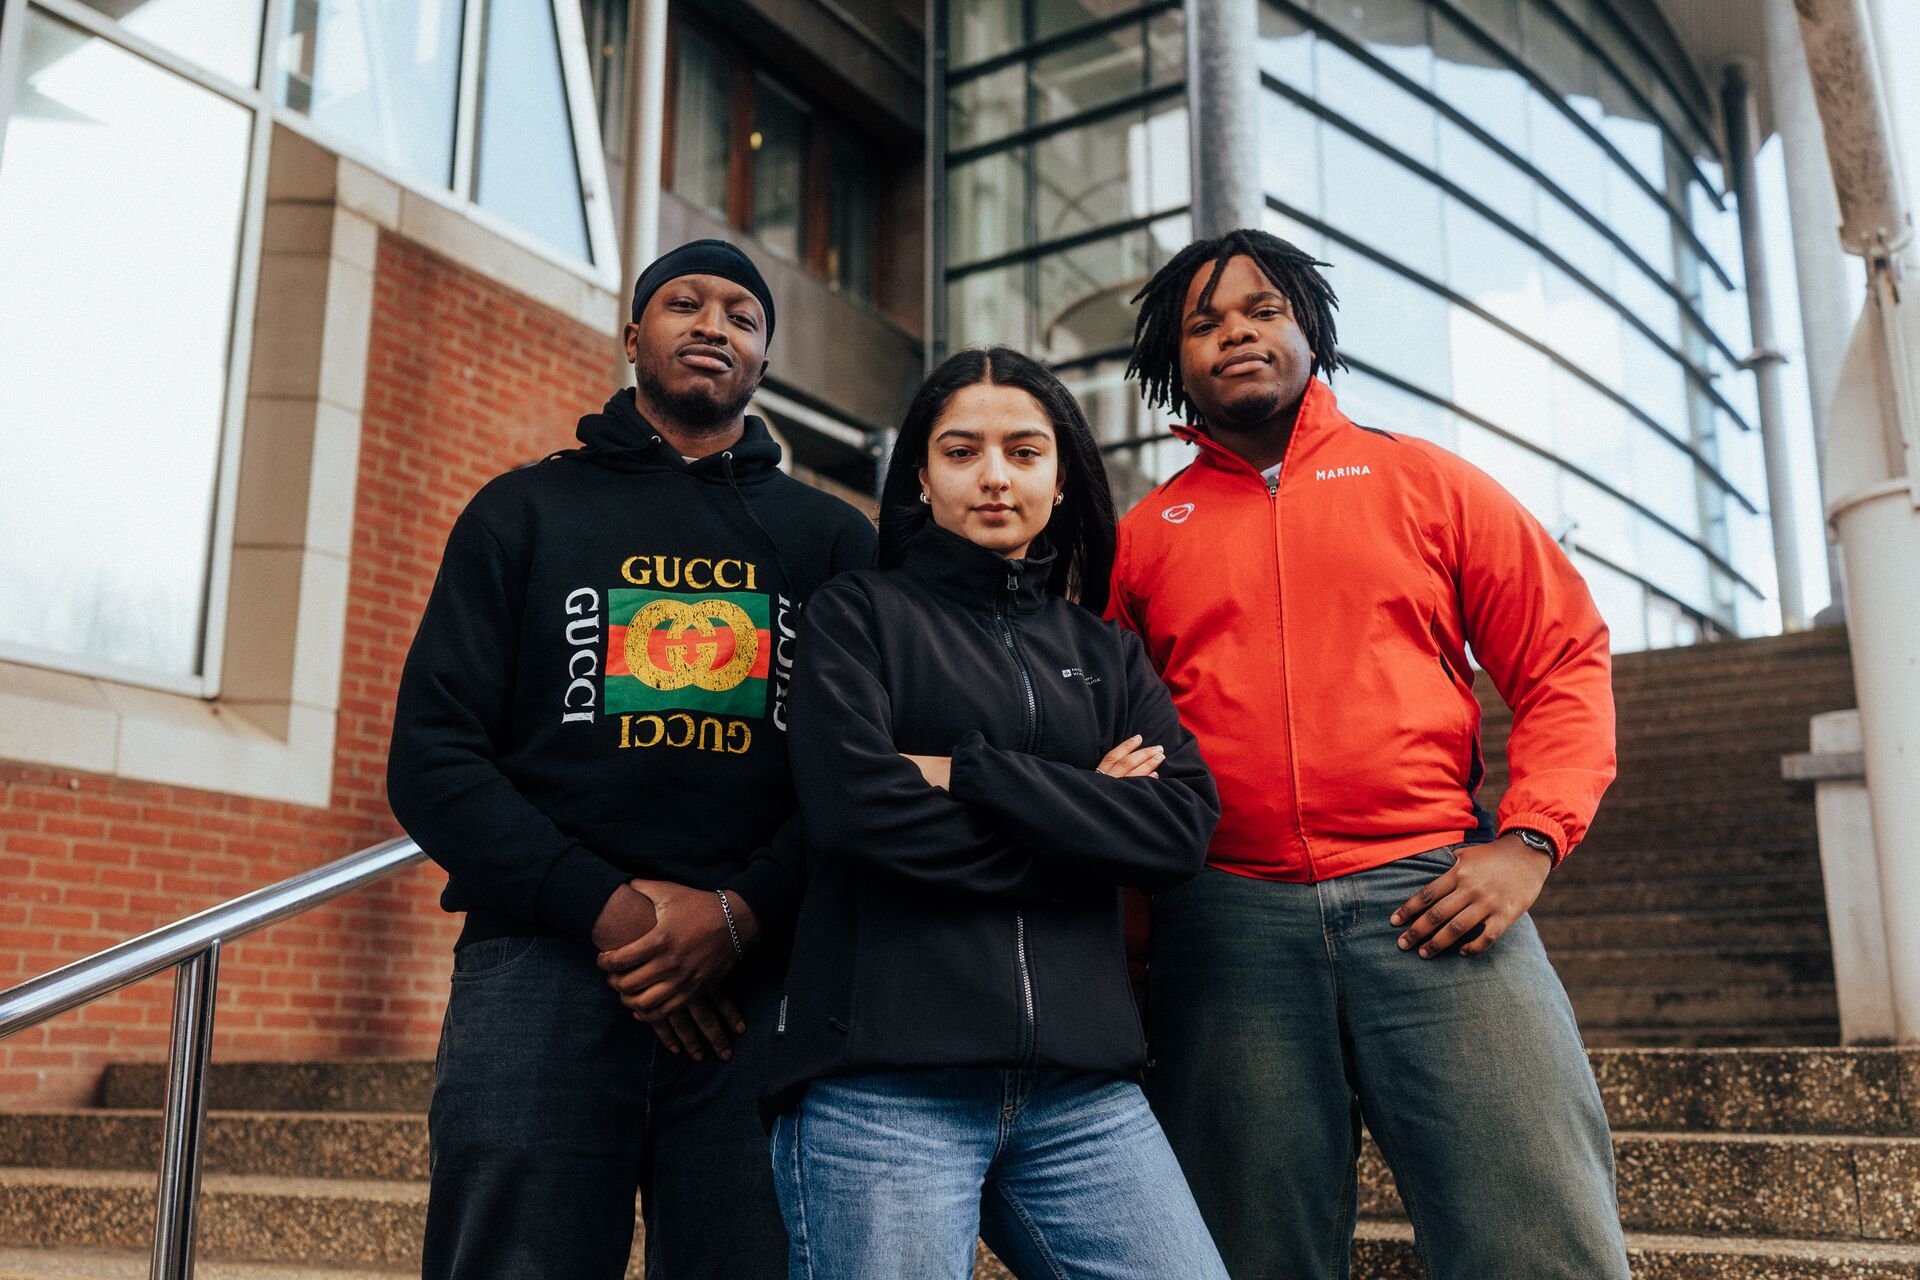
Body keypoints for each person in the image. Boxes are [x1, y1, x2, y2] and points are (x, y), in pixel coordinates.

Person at [1110, 228, 1630, 1280]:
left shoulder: (1426, 480)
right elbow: (1107, 741)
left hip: (1435, 898)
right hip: (1224, 926)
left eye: (1263, 309)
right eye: (1204, 324)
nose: (1236, 333)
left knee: (1542, 1243)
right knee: (1244, 1256)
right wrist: (1132, 936)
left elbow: (1563, 657)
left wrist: (1529, 839)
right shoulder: (1143, 535)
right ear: (1175, 360)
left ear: (1310, 329)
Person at [386, 238, 876, 1280]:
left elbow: (866, 771)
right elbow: (433, 758)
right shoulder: (522, 511)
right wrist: (617, 915)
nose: (714, 325)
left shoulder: (835, 542)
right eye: (685, 303)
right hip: (541, 966)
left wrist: (738, 915)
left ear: (766, 359)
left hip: (759, 984)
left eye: (742, 314)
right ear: (631, 335)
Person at [764, 346, 1229, 1280]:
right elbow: (859, 813)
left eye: (1023, 451)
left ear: (1061, 480)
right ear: (921, 477)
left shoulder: (1107, 654)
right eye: (961, 451)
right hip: (886, 1087)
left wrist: (970, 770)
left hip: (1083, 1095)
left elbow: (1179, 829)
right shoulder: (855, 617)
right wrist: (1088, 821)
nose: (994, 476)